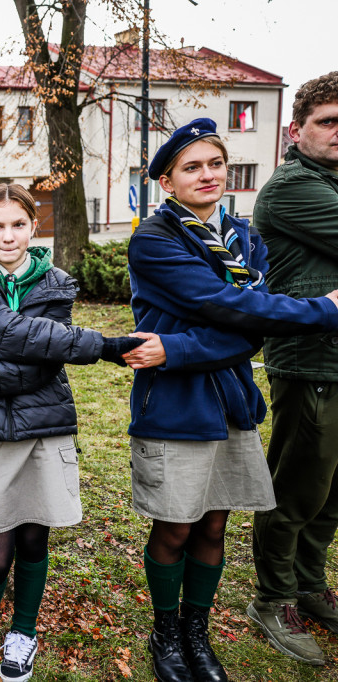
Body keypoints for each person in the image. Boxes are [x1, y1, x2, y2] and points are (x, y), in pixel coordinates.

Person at [123, 118, 338, 682]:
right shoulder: (156, 240)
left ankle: (197, 632)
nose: (208, 175)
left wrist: (174, 347)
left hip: (232, 404)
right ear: (167, 182)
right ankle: (167, 634)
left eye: (215, 164)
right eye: (191, 167)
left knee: (215, 525)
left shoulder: (245, 238)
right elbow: (230, 308)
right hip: (176, 405)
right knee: (175, 526)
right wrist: (324, 309)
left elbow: (252, 327)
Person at [0, 183, 144, 682]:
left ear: (34, 227)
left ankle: (24, 631)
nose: (8, 236)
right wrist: (99, 346)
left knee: (34, 542)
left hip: (45, 427)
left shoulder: (56, 284)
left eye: (18, 224)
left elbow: (39, 363)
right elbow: (21, 338)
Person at [249, 71, 338, 666]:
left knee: (332, 494)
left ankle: (310, 586)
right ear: (295, 129)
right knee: (297, 488)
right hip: (311, 362)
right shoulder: (293, 188)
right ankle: (274, 597)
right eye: (328, 122)